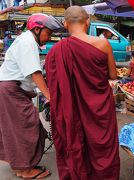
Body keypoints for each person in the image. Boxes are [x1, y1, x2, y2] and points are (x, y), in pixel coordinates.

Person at [45, 6, 120, 180]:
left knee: (77, 141)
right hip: (100, 107)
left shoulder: (56, 51)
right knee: (102, 146)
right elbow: (113, 75)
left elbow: (57, 86)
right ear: (88, 21)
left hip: (72, 110)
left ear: (65, 24)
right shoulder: (102, 43)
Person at [0, 13, 63, 179]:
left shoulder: (28, 41)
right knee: (27, 128)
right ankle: (25, 169)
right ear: (37, 29)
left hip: (14, 90)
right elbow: (34, 73)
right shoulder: (27, 42)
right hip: (11, 91)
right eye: (48, 33)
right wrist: (50, 96)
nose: (49, 37)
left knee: (17, 128)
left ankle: (20, 167)